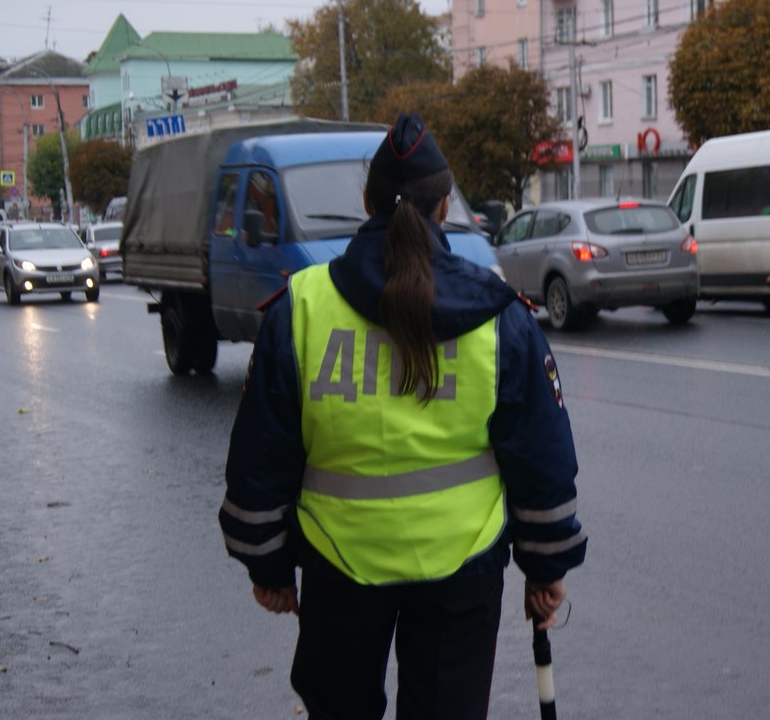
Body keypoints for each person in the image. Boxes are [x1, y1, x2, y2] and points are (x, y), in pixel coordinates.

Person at [218, 113, 587, 720]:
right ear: (445, 207)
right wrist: (546, 568)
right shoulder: (499, 317)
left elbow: (262, 455)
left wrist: (269, 564)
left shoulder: (302, 308)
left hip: (339, 566)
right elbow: (540, 458)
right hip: (463, 566)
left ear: (367, 203)